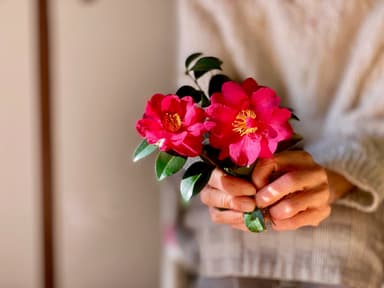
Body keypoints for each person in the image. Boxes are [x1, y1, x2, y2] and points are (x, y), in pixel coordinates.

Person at [164, 1, 384, 287]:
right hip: (239, 201)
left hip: (363, 187)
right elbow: (195, 113)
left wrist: (334, 179)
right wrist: (216, 177)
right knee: (228, 249)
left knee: (345, 244)